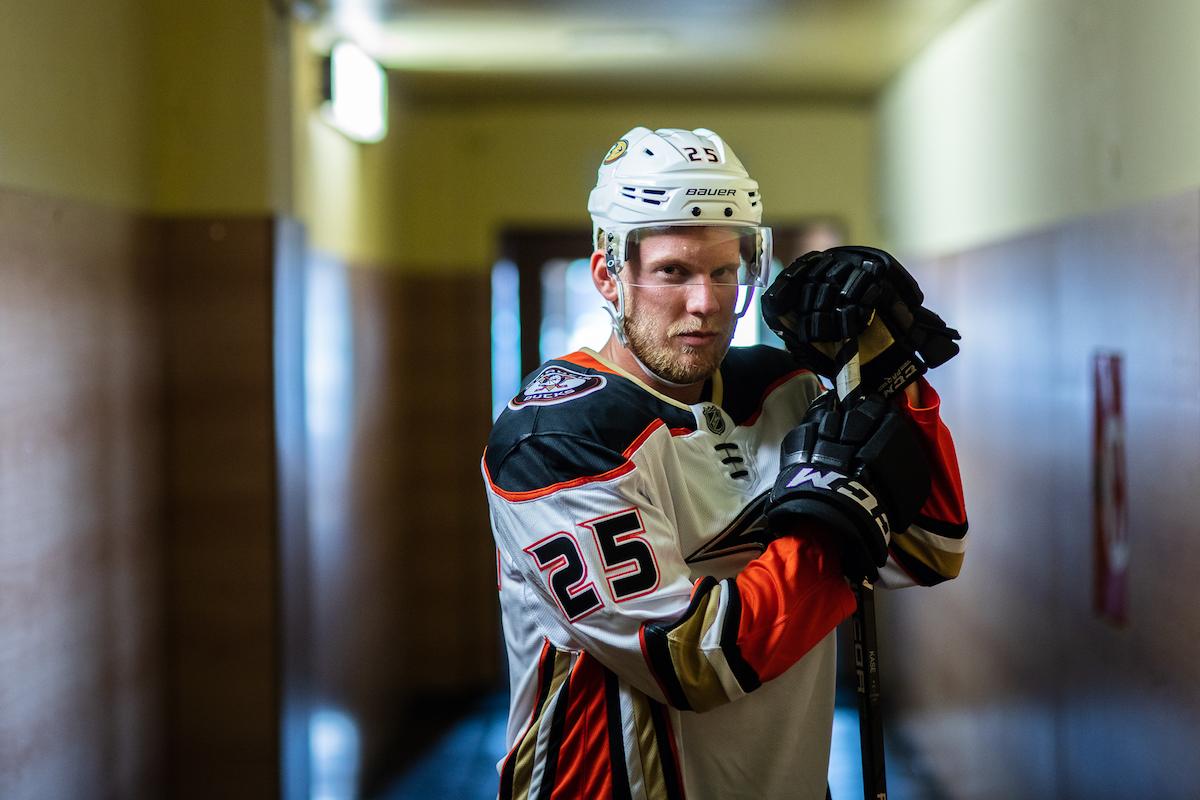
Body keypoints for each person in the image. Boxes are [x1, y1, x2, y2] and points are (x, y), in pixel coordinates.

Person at [481, 126, 967, 800]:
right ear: (607, 275)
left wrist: (888, 373)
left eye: (723, 270)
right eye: (673, 271)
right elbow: (692, 658)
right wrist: (837, 530)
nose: (706, 304)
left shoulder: (784, 387)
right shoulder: (552, 439)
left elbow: (930, 548)